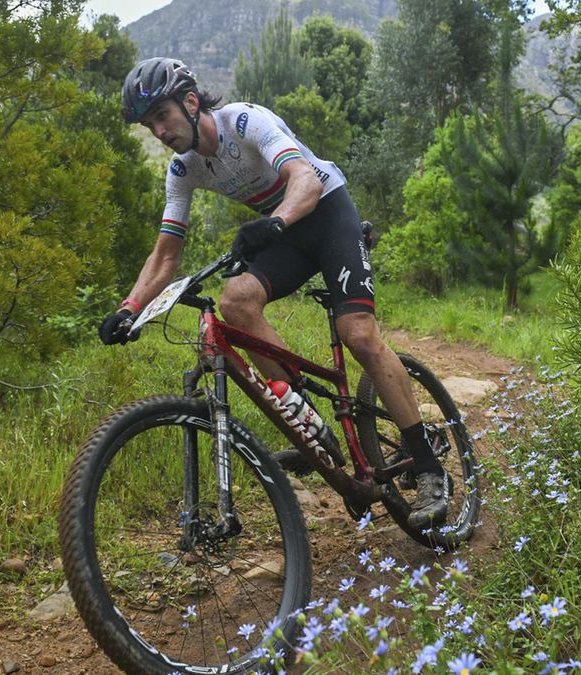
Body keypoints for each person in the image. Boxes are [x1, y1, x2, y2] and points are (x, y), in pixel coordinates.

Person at [101, 57, 447, 529]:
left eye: (162, 115)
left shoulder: (244, 120)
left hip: (325, 213)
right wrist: (129, 307)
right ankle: (309, 425)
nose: (158, 131)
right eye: (149, 124)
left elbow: (303, 178)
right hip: (285, 231)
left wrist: (275, 223)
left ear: (189, 101)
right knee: (235, 302)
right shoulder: (183, 171)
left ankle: (429, 468)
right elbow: (166, 255)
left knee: (358, 333)